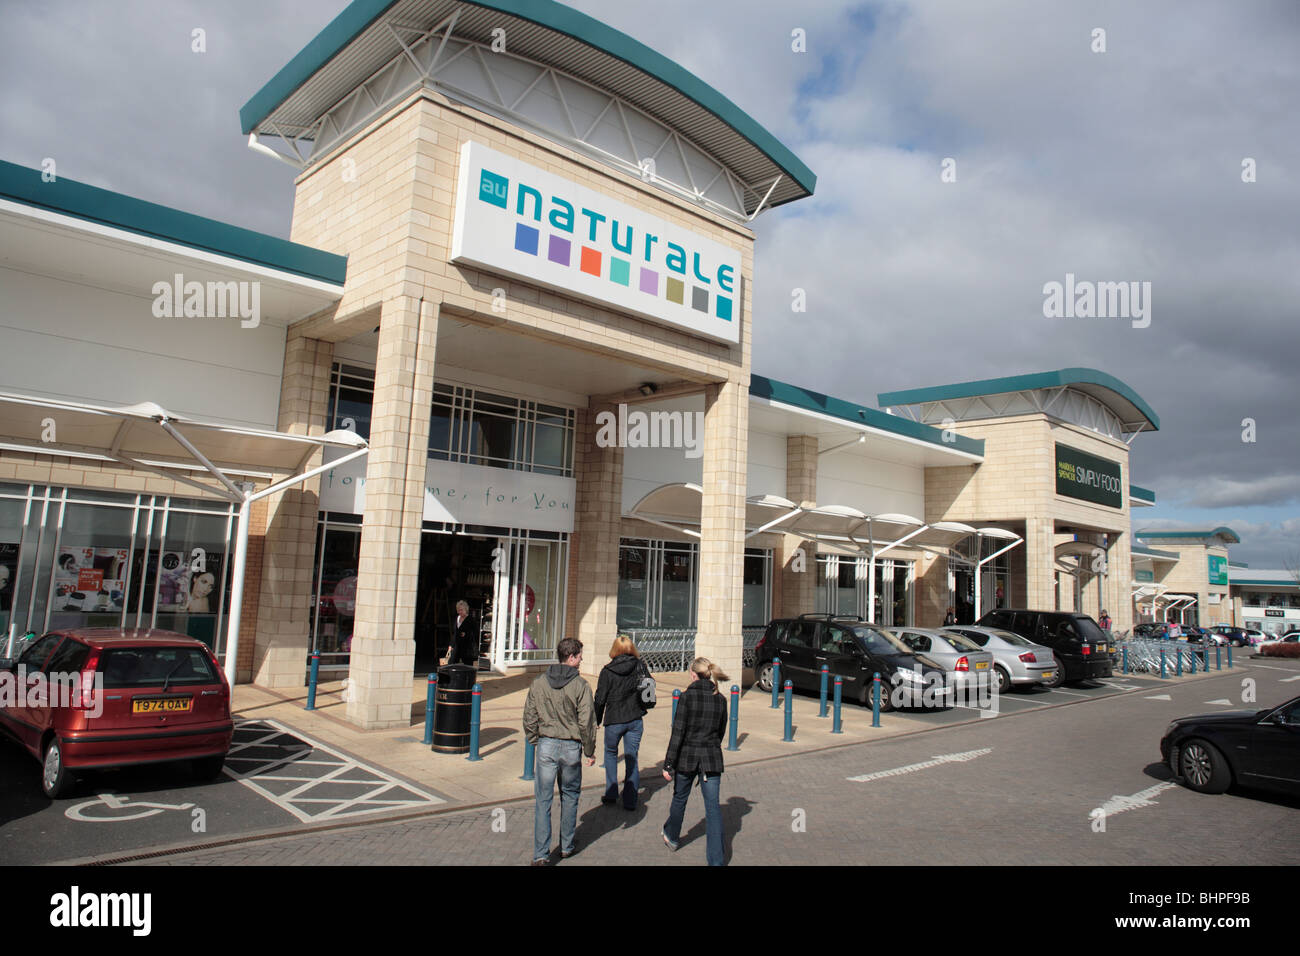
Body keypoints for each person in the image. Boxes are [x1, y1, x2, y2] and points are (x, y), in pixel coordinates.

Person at [523, 637, 596, 865]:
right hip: (570, 746)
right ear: (571, 657)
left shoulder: (539, 682)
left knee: (543, 800)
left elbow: (529, 716)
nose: (582, 659)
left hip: (547, 744)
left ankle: (541, 853)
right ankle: (566, 845)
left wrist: (534, 737)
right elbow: (587, 722)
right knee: (570, 795)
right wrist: (589, 750)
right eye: (580, 655)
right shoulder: (581, 686)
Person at [661, 657, 729, 867]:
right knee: (713, 809)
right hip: (711, 758)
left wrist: (668, 763)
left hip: (687, 757)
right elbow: (721, 730)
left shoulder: (687, 697)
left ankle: (672, 836)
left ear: (693, 674)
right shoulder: (721, 699)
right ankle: (716, 860)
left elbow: (678, 732)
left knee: (680, 798)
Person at [594, 634, 652, 810]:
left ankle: (611, 793)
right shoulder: (640, 666)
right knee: (631, 757)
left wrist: (596, 719)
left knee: (611, 754)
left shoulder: (607, 671)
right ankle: (630, 798)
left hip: (614, 719)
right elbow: (649, 686)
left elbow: (600, 698)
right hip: (635, 717)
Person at [444, 599, 475, 666]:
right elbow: (454, 633)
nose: (459, 611)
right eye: (458, 610)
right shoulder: (457, 618)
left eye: (461, 610)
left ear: (466, 610)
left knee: (467, 665)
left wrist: (466, 634)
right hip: (456, 645)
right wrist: (451, 645)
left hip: (466, 646)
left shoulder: (470, 619)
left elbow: (474, 632)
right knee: (451, 663)